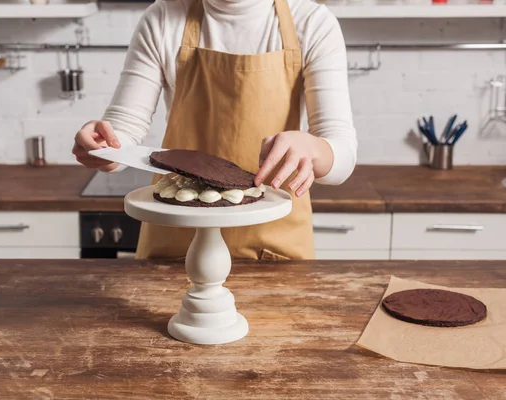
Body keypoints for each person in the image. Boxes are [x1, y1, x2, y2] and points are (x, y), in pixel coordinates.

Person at [72, 0, 357, 260]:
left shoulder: (312, 23)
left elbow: (341, 155)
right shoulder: (162, 19)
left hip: (274, 246)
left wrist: (314, 148)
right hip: (178, 240)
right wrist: (104, 147)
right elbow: (124, 128)